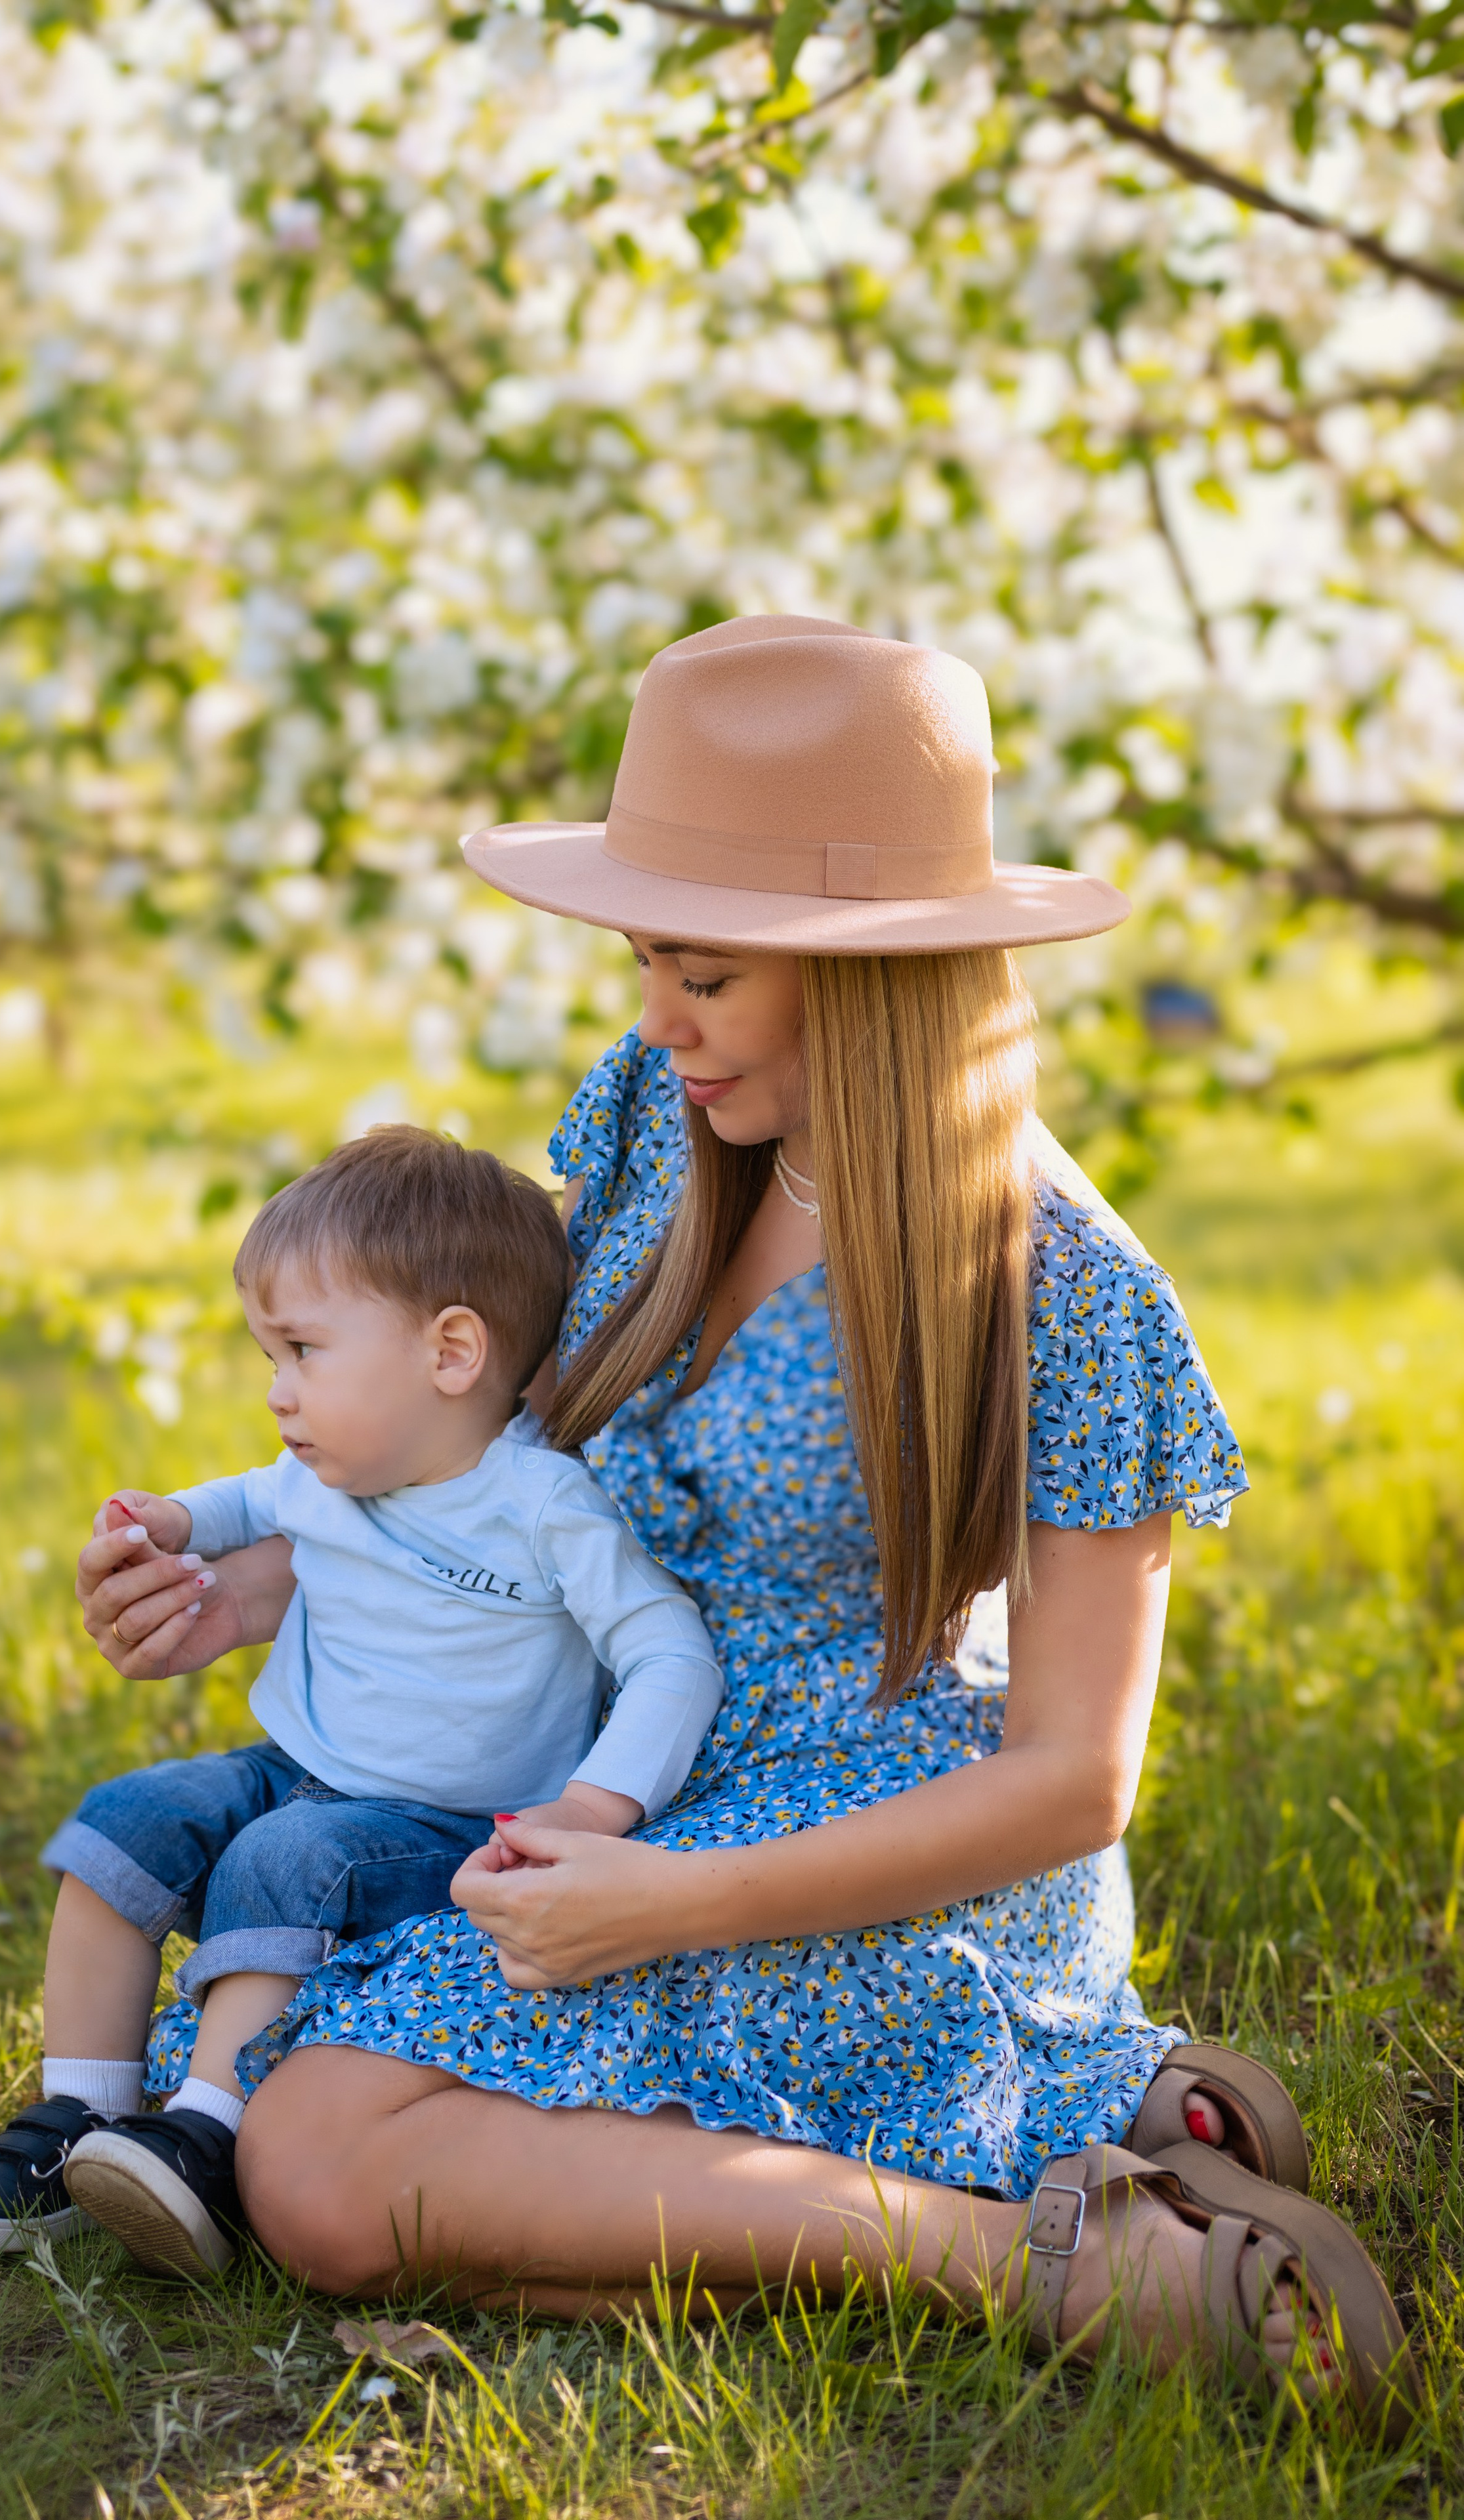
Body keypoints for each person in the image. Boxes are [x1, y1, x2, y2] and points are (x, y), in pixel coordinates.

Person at [77, 617, 1413, 2436]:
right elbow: (515, 1455)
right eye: (644, 959)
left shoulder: (1061, 1289)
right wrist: (258, 1577)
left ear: (868, 973)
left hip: (879, 1835)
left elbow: (1075, 1781)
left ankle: (1041, 2251)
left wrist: (671, 1904)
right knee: (300, 2130)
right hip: (625, 1762)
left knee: (315, 2163)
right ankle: (1092, 2120)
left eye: (701, 972)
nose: (652, 1016)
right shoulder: (650, 1124)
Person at [0, 1128, 721, 2277]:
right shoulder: (322, 1471)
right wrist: (162, 1526)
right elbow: (235, 1503)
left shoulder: (542, 1505)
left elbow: (670, 1651)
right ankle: (77, 2120)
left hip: (448, 1823)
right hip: (302, 1765)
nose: (276, 1391)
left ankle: (207, 2135)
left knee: (288, 1856)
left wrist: (597, 1807)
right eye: (270, 1354)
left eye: (301, 1350)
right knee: (124, 1820)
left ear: (452, 1352)